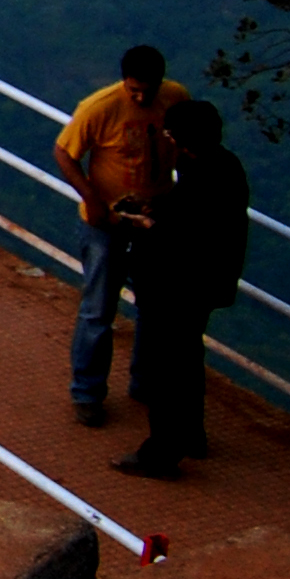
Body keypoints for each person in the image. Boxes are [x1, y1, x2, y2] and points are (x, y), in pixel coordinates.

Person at [54, 45, 190, 425]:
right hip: (108, 222)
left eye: (148, 89)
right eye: (134, 90)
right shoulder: (100, 107)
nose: (142, 97)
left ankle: (144, 382)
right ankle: (87, 392)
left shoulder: (175, 98)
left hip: (154, 219)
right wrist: (92, 199)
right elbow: (65, 152)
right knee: (99, 308)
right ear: (123, 82)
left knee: (154, 305)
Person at [114, 101, 249, 479]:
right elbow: (196, 217)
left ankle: (160, 453)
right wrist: (156, 207)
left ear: (182, 139)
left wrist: (143, 224)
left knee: (167, 368)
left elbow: (184, 235)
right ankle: (192, 435)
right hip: (206, 284)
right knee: (187, 358)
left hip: (177, 286)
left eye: (171, 134)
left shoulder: (200, 175)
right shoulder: (224, 166)